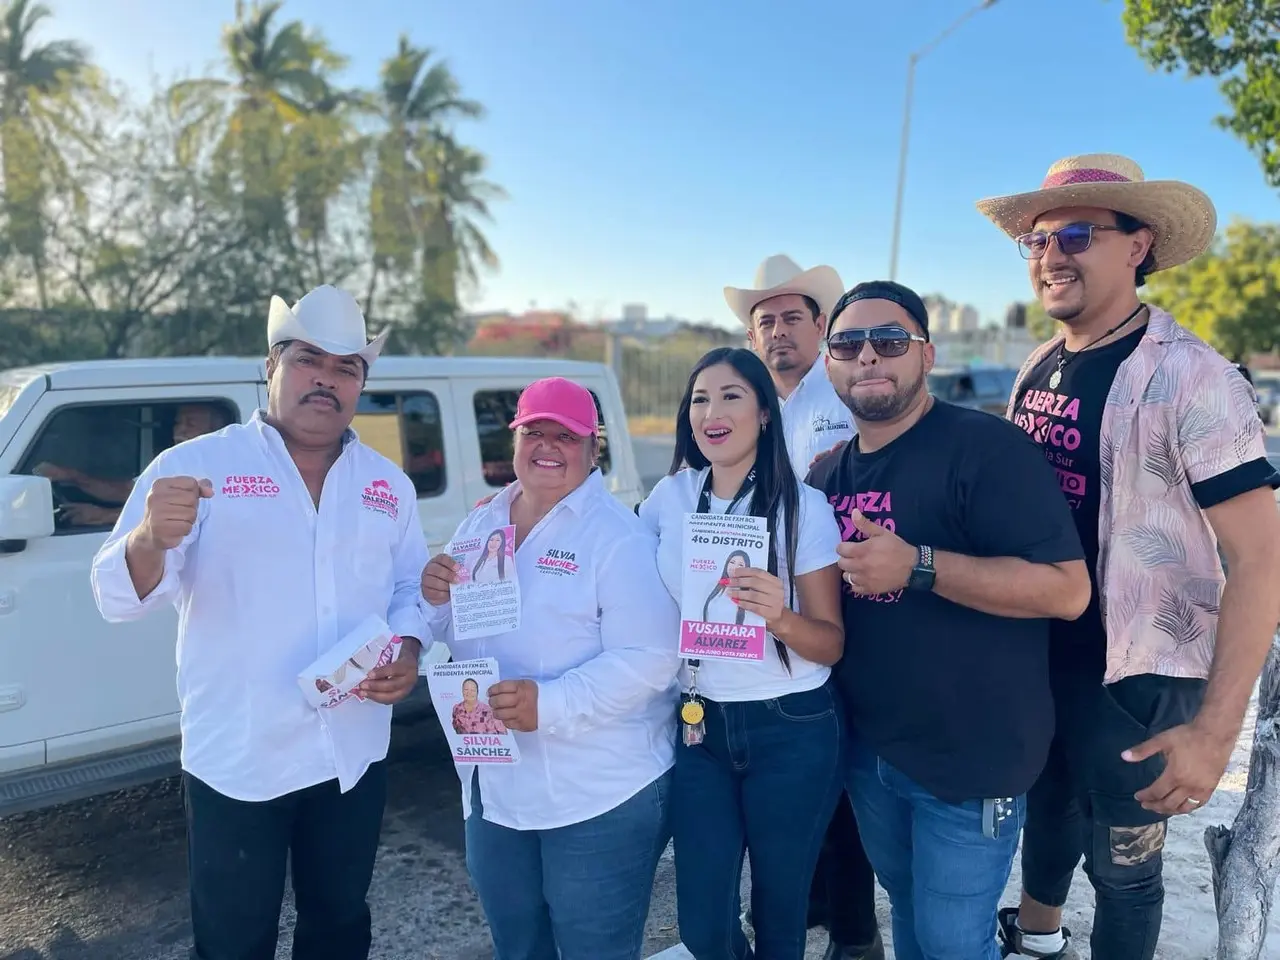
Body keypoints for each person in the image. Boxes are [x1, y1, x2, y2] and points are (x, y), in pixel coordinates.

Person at [976, 153, 1280, 960]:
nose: (1052, 254)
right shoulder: (1042, 362)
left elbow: (1260, 560)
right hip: (1043, 656)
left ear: (1138, 245)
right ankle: (1037, 942)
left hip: (1138, 676)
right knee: (1049, 814)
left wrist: (1216, 734)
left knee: (1126, 869)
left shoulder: (1194, 377)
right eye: (1038, 239)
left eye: (1078, 233)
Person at [89, 284, 429, 960]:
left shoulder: (389, 483)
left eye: (346, 367)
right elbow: (115, 597)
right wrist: (150, 540)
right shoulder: (194, 467)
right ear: (271, 365)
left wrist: (411, 648)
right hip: (241, 761)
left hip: (352, 754)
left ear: (363, 382)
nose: (326, 380)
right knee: (234, 940)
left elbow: (408, 587)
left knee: (338, 924)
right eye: (309, 359)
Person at [807, 279, 1091, 960]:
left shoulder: (985, 449)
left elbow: (1067, 591)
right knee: (911, 920)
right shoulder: (824, 476)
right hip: (870, 755)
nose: (868, 356)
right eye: (848, 343)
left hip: (970, 764)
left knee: (952, 945)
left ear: (926, 355)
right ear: (830, 364)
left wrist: (919, 565)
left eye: (889, 340)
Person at [419, 376, 681, 960]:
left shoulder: (617, 538)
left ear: (594, 451)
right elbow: (451, 619)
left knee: (595, 950)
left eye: (567, 436)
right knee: (519, 945)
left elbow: (653, 658)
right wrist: (432, 599)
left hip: (597, 795)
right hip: (493, 785)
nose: (547, 446)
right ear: (514, 441)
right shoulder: (482, 522)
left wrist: (552, 702)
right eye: (534, 431)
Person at [637, 347, 846, 960]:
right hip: (700, 725)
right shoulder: (669, 499)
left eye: (731, 395)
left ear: (762, 412)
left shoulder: (804, 508)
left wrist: (779, 615)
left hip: (791, 725)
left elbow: (830, 642)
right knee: (703, 923)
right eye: (700, 398)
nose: (712, 411)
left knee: (782, 914)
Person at [725, 255, 878, 960]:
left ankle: (855, 936)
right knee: (794, 801)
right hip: (762, 632)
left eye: (793, 317)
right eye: (766, 321)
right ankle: (810, 914)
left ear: (821, 325)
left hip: (850, 614)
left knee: (842, 796)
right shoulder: (750, 408)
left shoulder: (846, 397)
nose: (779, 332)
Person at [35, 402, 235, 526]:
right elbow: (127, 490)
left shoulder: (225, 471)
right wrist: (71, 476)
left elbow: (182, 516)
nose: (178, 431)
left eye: (189, 424)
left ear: (215, 432)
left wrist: (103, 517)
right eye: (177, 423)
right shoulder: (175, 463)